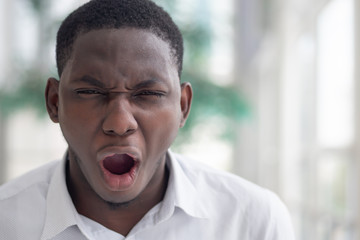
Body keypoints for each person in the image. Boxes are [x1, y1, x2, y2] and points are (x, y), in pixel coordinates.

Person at [0, 0, 295, 239]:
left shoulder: (253, 221)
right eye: (90, 91)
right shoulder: (6, 220)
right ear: (54, 102)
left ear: (182, 106)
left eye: (149, 93)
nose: (119, 122)